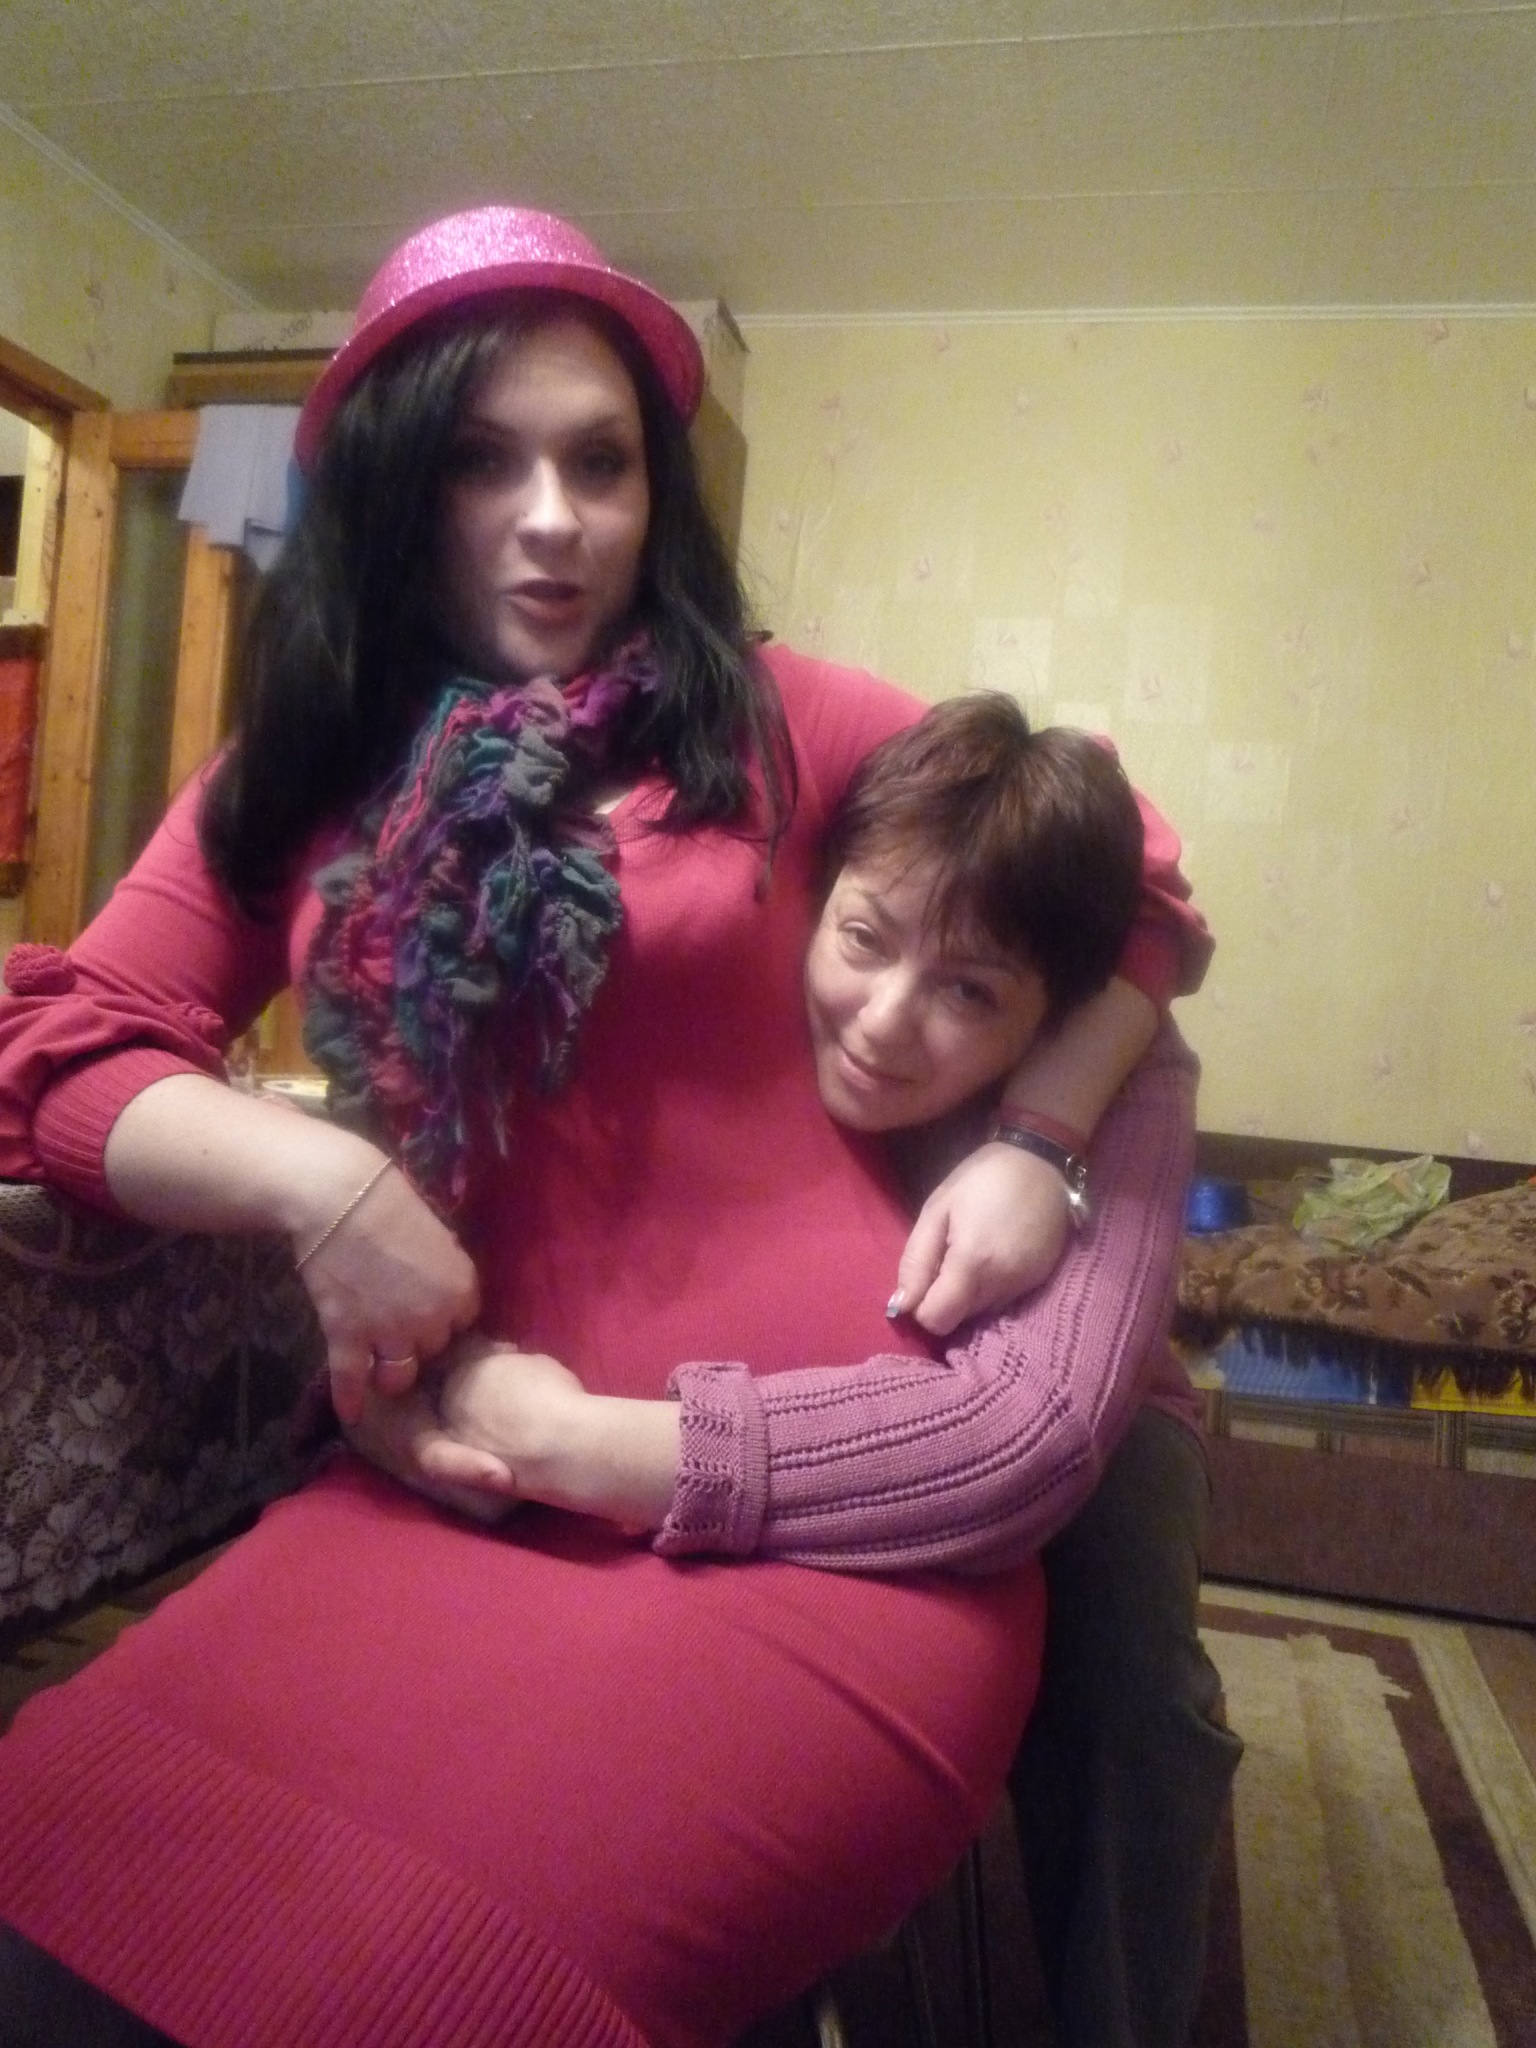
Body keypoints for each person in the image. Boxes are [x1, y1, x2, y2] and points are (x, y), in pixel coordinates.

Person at [0, 207, 1209, 2048]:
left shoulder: (780, 722)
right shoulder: (296, 776)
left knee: (451, 1988)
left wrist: (1039, 1141)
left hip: (826, 1501)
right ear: (395, 484)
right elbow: (59, 1046)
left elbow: (1126, 872)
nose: (553, 517)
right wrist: (321, 1183)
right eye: (485, 462)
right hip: (466, 1468)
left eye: (602, 462)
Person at [372, 693, 1240, 2048]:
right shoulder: (750, 959)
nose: (888, 1023)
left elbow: (1036, 1431)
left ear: (1058, 1006)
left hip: (1092, 1409)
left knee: (1133, 1690)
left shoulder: (1128, 1068)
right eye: (866, 941)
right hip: (797, 1387)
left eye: (970, 993)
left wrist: (1039, 1141)